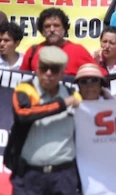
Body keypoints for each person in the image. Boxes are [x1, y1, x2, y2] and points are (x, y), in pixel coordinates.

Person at [5, 46, 80, 195]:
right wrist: (63, 104)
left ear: (62, 73)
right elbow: (23, 114)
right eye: (45, 68)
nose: (49, 74)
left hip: (64, 175)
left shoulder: (73, 94)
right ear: (38, 67)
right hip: (29, 175)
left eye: (55, 70)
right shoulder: (26, 89)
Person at [20, 8, 95, 76]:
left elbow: (99, 77)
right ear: (42, 30)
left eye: (56, 25)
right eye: (47, 26)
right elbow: (20, 80)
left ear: (64, 28)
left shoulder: (78, 50)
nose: (52, 29)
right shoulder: (32, 52)